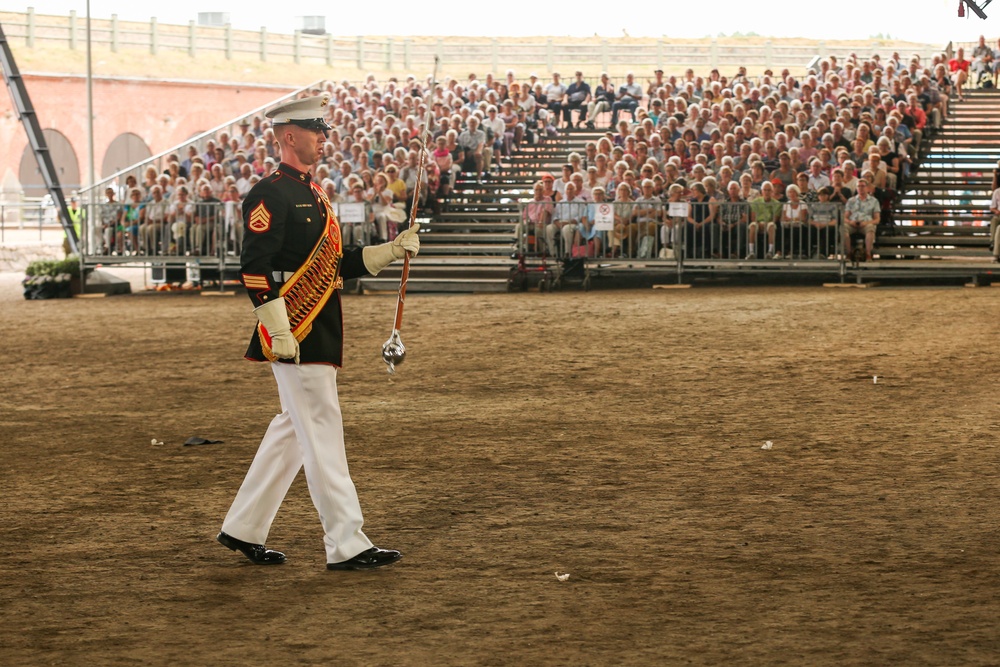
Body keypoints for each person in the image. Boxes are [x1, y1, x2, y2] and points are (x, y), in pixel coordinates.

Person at [218, 93, 419, 571]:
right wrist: (279, 329)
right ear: (290, 136)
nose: (325, 138)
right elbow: (255, 268)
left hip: (317, 324)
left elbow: (336, 263)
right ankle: (347, 542)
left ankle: (242, 528)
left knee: (294, 429)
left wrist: (391, 251)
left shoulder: (314, 192)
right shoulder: (269, 193)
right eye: (316, 131)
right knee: (322, 430)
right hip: (295, 329)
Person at [843, 177, 880, 261]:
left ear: (867, 188)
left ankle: (868, 254)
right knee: (843, 228)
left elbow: (877, 219)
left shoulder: (874, 201)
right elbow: (845, 217)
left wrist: (866, 223)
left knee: (870, 228)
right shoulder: (851, 200)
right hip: (853, 223)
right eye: (858, 186)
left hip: (866, 223)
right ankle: (848, 253)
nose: (860, 188)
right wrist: (850, 222)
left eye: (862, 186)